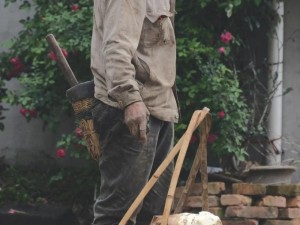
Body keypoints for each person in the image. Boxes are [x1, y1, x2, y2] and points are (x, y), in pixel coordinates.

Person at [90, 0, 179, 224]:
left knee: (154, 214)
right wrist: (130, 100)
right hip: (133, 110)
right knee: (118, 215)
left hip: (159, 108)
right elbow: (116, 47)